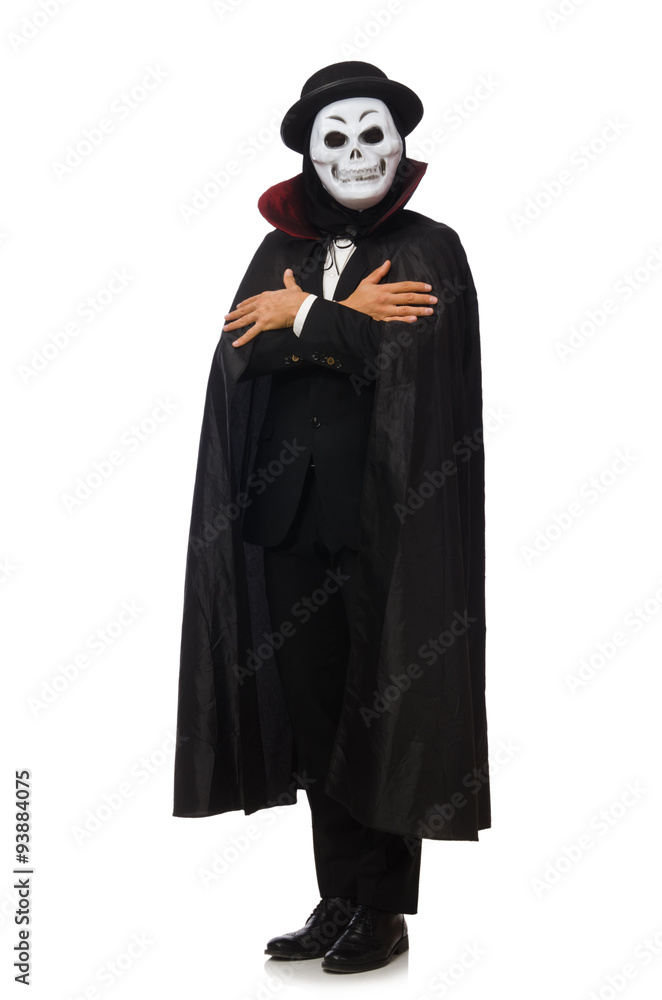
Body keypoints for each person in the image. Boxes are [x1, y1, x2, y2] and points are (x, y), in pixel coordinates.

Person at [173, 61, 490, 975]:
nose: (357, 154)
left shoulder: (431, 247)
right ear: (311, 155)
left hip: (389, 519)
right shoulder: (275, 250)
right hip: (288, 517)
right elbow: (243, 353)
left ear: (399, 145)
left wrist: (306, 316)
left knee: (385, 705)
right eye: (337, 139)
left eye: (372, 135)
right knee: (317, 717)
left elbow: (412, 359)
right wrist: (344, 320)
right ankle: (339, 896)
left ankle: (383, 912)